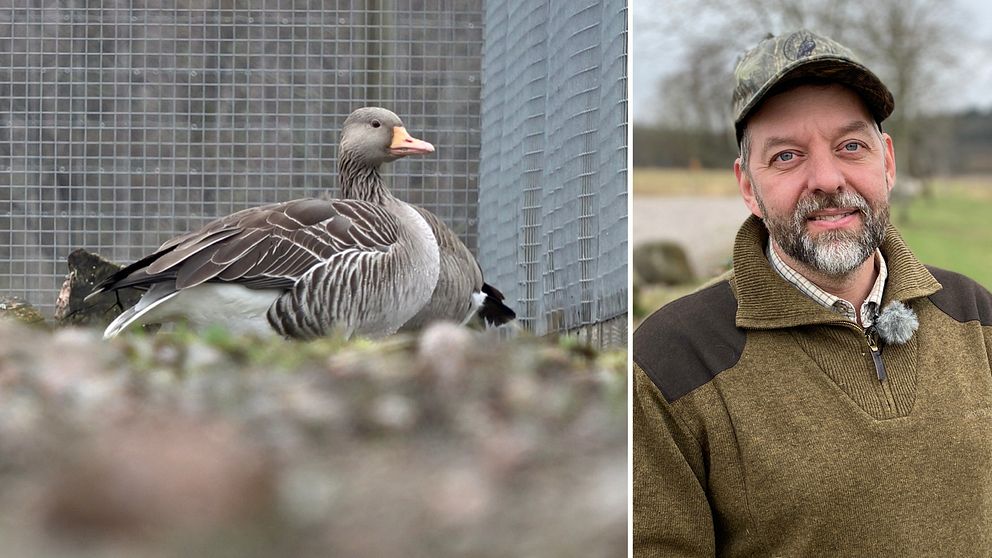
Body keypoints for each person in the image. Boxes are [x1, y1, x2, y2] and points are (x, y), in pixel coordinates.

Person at [632, 29, 992, 556]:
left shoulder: (977, 316)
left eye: (850, 146)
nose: (826, 178)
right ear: (747, 186)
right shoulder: (673, 360)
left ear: (887, 163)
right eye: (786, 156)